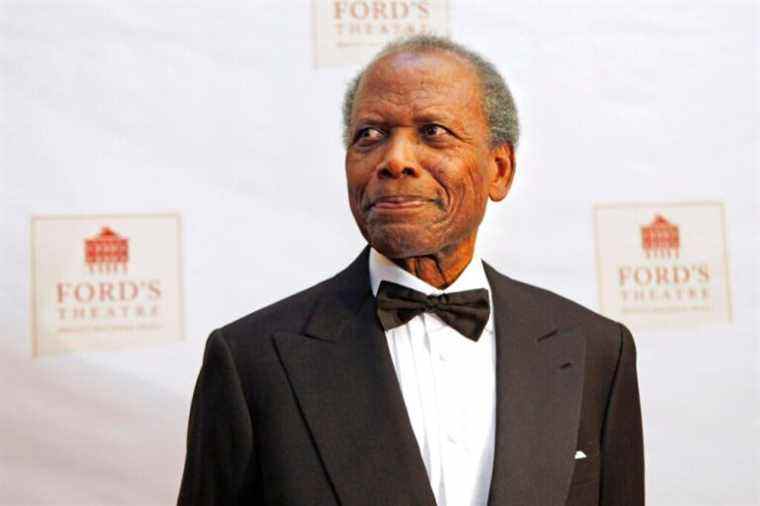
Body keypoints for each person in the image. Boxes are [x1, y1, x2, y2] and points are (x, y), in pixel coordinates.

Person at [177, 35, 644, 506]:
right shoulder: (251, 361)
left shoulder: (595, 349)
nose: (395, 159)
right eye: (370, 135)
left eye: (433, 131)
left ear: (499, 170)